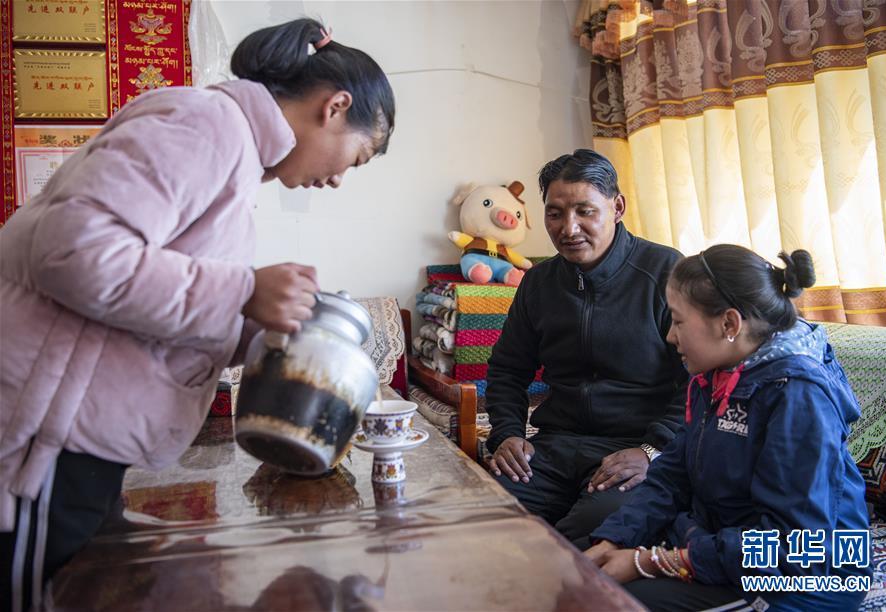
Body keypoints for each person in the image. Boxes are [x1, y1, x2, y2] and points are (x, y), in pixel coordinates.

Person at [0, 17, 395, 611]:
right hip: (43, 450)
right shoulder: (205, 125)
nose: (339, 178)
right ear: (335, 107)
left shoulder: (234, 161)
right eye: (357, 159)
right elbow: (73, 251)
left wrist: (255, 327)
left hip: (80, 443)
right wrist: (241, 290)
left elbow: (146, 298)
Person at [587, 245, 872, 611]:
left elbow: (795, 547)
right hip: (722, 537)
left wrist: (652, 561)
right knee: (590, 541)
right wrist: (615, 540)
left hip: (802, 578)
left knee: (616, 602)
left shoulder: (798, 396)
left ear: (729, 324)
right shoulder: (715, 377)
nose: (671, 337)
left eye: (677, 321)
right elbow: (672, 475)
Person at [485, 149, 687, 548]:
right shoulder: (538, 283)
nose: (568, 228)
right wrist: (507, 434)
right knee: (490, 519)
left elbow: (697, 381)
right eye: (555, 213)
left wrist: (651, 451)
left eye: (584, 211)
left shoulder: (666, 272)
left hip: (632, 450)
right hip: (555, 447)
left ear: (617, 207)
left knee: (588, 534)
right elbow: (508, 370)